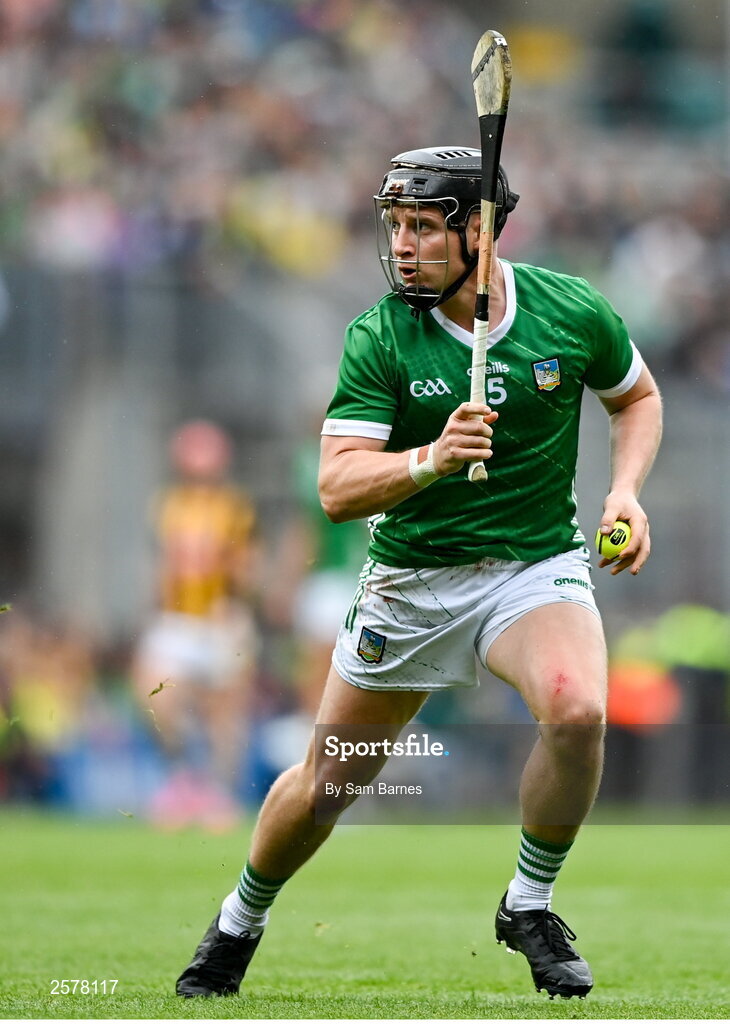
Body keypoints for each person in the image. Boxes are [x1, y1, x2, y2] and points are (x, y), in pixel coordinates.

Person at [176, 147, 662, 998]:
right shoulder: (380, 336)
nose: (402, 245)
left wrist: (625, 492)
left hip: (531, 568)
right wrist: (431, 458)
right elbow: (336, 487)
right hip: (410, 586)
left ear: (480, 230)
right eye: (394, 226)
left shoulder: (569, 310)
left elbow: (636, 397)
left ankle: (529, 903)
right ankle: (239, 918)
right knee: (329, 785)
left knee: (578, 711)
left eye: (423, 228)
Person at [132, 419, 259, 830]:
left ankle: (219, 792)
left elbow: (248, 567)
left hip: (221, 616)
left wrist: (236, 599)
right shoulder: (168, 506)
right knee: (155, 696)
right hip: (178, 617)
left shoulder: (236, 509)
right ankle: (182, 780)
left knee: (224, 711)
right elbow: (160, 565)